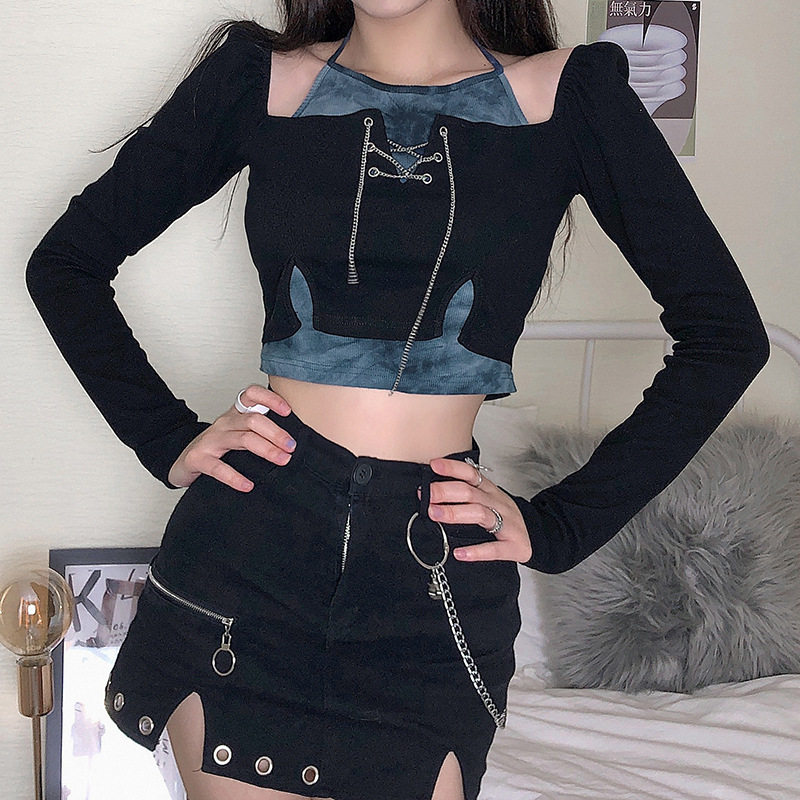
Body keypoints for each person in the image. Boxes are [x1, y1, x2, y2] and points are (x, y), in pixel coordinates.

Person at [25, 0, 770, 798]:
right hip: (247, 563)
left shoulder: (571, 97)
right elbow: (65, 265)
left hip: (431, 583)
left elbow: (726, 336)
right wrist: (166, 437)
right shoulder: (254, 81)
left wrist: (560, 525)